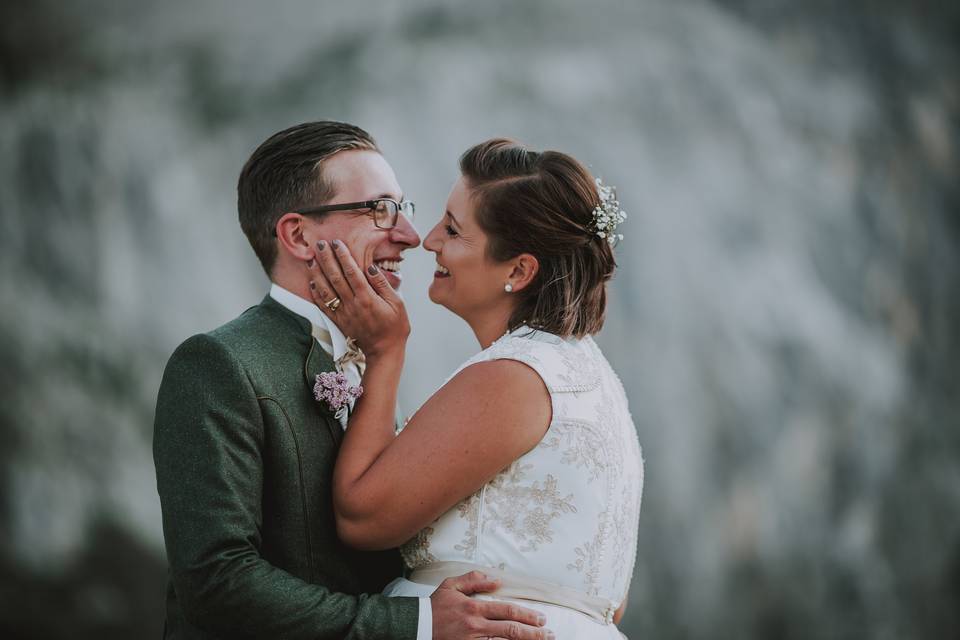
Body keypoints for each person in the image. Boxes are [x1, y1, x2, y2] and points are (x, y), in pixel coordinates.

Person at [153, 121, 551, 639]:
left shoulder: (375, 361)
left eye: (402, 210)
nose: (410, 237)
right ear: (298, 235)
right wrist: (415, 623)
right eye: (379, 210)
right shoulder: (218, 364)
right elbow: (216, 580)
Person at [305, 138, 643, 638]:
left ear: (519, 270)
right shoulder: (592, 379)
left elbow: (361, 517)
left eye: (455, 230)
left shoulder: (514, 377)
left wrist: (385, 351)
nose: (429, 240)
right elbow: (606, 603)